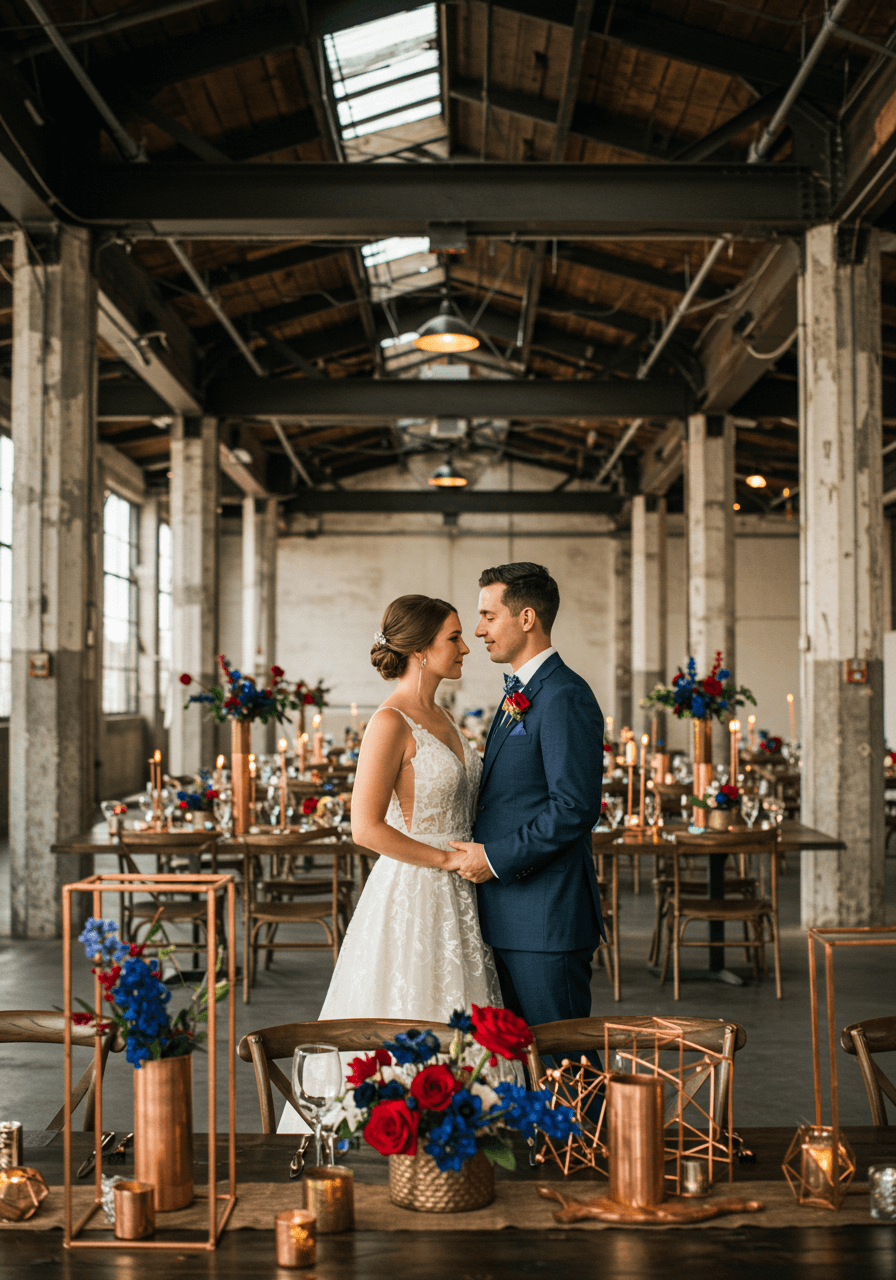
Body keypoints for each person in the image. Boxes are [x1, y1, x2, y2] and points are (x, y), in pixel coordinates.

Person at [278, 594, 504, 1133]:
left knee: (465, 1013)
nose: (465, 646)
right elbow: (367, 828)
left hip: (464, 890)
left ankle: (464, 1133)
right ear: (422, 649)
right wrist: (447, 858)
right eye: (454, 637)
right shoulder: (390, 721)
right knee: (409, 1008)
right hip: (417, 887)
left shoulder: (443, 714)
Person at [447, 562, 605, 1036]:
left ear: (527, 618)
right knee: (522, 1071)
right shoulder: (521, 690)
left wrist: (494, 858)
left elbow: (574, 807)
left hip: (545, 919)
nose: (479, 631)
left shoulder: (563, 695)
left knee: (564, 1069)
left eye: (488, 616)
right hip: (510, 914)